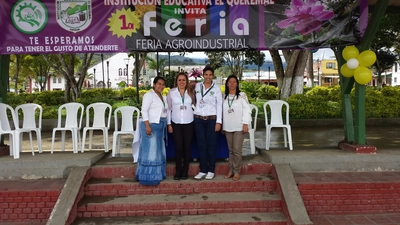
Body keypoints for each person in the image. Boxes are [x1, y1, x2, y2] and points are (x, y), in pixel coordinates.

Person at [135, 76, 167, 186]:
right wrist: (147, 125)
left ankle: (158, 174)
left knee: (158, 151)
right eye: (159, 84)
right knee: (151, 151)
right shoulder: (149, 95)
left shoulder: (162, 96)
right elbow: (144, 110)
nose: (161, 86)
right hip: (151, 125)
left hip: (160, 125)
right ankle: (148, 176)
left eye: (163, 84)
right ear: (154, 84)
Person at [193, 66, 223, 180]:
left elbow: (219, 106)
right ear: (203, 75)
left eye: (210, 75)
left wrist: (218, 122)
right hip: (199, 119)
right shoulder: (197, 86)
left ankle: (211, 170)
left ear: (213, 76)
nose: (208, 77)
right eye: (206, 74)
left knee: (211, 145)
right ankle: (203, 170)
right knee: (201, 145)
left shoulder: (216, 89)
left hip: (211, 120)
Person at [167, 72, 196, 180]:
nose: (181, 82)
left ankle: (185, 171)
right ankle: (178, 170)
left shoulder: (191, 92)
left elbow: (195, 106)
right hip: (176, 123)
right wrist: (169, 124)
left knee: (187, 147)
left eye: (183, 80)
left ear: (186, 81)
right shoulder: (171, 93)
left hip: (189, 122)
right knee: (178, 147)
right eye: (179, 80)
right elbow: (169, 109)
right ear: (176, 81)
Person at [222, 75, 251, 181]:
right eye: (230, 82)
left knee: (237, 150)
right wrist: (222, 125)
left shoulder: (242, 95)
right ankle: (231, 170)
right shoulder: (224, 96)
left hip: (239, 127)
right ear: (227, 84)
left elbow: (247, 110)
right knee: (230, 151)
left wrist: (245, 124)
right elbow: (222, 111)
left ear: (237, 84)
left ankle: (237, 171)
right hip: (228, 126)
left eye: (234, 82)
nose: (232, 84)